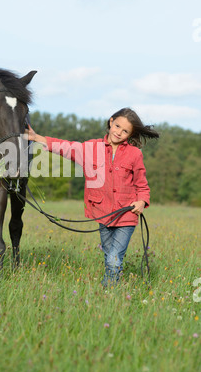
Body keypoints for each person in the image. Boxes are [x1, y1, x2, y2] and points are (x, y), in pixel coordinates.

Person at [25, 108, 159, 287]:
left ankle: (108, 291)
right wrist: (38, 138)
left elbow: (141, 184)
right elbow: (65, 147)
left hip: (126, 214)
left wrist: (142, 200)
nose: (119, 132)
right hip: (102, 213)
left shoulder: (135, 154)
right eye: (117, 126)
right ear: (111, 122)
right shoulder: (90, 148)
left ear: (130, 134)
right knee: (109, 255)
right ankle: (114, 285)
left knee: (113, 258)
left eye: (125, 131)